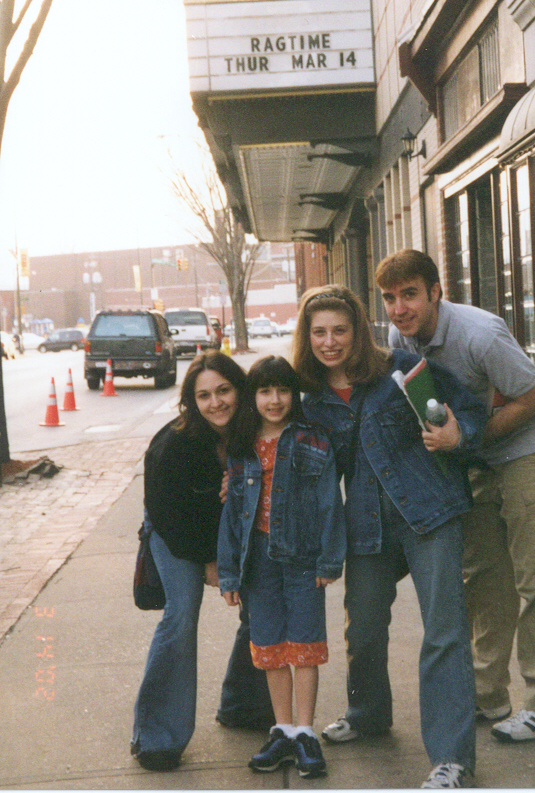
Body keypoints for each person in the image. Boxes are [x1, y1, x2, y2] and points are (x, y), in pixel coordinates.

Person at [376, 249, 535, 743]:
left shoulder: (480, 334)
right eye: (389, 298)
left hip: (525, 452)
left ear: (436, 292)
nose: (399, 308)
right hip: (475, 458)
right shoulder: (399, 335)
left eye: (410, 295)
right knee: (485, 578)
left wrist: (465, 438)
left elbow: (533, 398)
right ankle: (488, 694)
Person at [292, 286, 487, 789]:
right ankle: (368, 713)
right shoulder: (310, 399)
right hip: (364, 526)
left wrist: (456, 434)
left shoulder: (400, 370)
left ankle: (452, 760)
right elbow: (277, 446)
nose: (330, 342)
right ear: (306, 337)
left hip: (429, 511)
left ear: (357, 330)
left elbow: (467, 409)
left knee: (443, 633)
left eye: (340, 330)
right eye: (319, 332)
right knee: (364, 627)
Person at [131, 351, 273, 772]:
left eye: (224, 390)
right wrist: (210, 561)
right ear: (192, 402)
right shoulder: (174, 443)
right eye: (204, 396)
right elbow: (166, 514)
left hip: (231, 529)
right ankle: (155, 736)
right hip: (174, 532)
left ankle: (242, 705)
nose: (217, 403)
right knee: (181, 612)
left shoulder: (253, 431)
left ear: (238, 389)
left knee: (260, 602)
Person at [217, 355, 346, 779]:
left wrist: (330, 558)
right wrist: (230, 573)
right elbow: (233, 514)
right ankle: (282, 728)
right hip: (258, 562)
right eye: (265, 391)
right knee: (270, 646)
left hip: (304, 558)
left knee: (305, 643)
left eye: (284, 390)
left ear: (295, 394)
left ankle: (305, 731)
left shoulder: (313, 439)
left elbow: (330, 502)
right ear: (252, 396)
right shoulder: (241, 446)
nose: (275, 400)